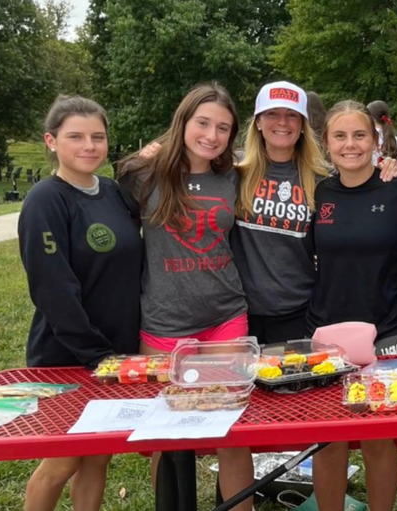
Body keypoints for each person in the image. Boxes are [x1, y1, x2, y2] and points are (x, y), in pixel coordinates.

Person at [116, 82, 255, 511]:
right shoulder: (142, 176)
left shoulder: (234, 177)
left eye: (223, 128)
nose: (212, 135)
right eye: (203, 123)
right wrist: (149, 152)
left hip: (225, 317)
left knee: (231, 432)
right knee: (167, 436)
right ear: (183, 121)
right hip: (163, 324)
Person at [19, 96, 141, 511]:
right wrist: (97, 356)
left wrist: (118, 357)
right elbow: (53, 290)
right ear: (51, 141)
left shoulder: (112, 192)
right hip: (67, 356)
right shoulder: (45, 200)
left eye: (98, 137)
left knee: (98, 456)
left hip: (117, 353)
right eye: (75, 137)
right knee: (62, 460)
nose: (88, 146)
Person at [307, 100, 397, 511]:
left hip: (387, 332)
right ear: (326, 142)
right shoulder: (317, 190)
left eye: (359, 135)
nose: (350, 144)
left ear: (375, 141)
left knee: (378, 437)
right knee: (328, 439)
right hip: (325, 335)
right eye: (340, 136)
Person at [230, 81, 330, 345]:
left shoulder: (321, 180)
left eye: (292, 115)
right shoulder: (234, 174)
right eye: (272, 113)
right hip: (237, 313)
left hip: (297, 313)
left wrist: (390, 169)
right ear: (258, 122)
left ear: (302, 125)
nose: (282, 122)